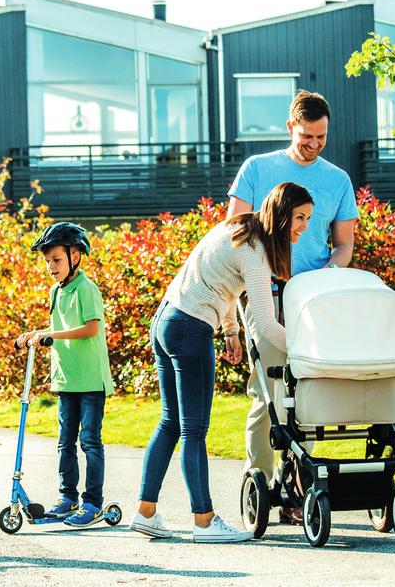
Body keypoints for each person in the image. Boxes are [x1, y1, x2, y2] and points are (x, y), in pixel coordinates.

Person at [130, 182, 313, 543]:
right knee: (193, 430)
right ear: (281, 214)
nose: (304, 226)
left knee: (171, 422)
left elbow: (222, 283)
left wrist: (230, 329)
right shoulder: (255, 249)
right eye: (300, 217)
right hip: (189, 327)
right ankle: (204, 520)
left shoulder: (239, 227)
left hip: (166, 320)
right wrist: (306, 350)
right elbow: (265, 321)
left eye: (308, 218)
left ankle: (146, 512)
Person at [226, 90, 359, 525]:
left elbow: (343, 247)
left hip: (310, 298)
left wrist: (324, 278)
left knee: (307, 392)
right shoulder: (257, 170)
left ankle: (300, 487)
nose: (314, 144)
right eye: (307, 136)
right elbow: (233, 234)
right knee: (267, 394)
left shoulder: (337, 180)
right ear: (290, 128)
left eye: (321, 137)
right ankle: (260, 485)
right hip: (262, 293)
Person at [17, 221, 115, 527]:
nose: (51, 266)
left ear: (76, 256)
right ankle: (68, 497)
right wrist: (35, 335)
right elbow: (57, 330)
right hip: (66, 378)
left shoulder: (87, 289)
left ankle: (93, 503)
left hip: (90, 379)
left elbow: (91, 328)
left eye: (56, 260)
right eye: (47, 261)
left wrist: (50, 335)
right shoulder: (55, 292)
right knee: (64, 442)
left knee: (89, 441)